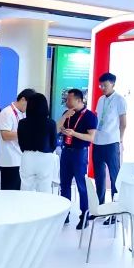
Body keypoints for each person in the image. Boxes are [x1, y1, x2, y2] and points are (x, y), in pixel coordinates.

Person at [57, 88, 97, 229]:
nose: (67, 101)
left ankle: (84, 216)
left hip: (79, 153)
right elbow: (57, 129)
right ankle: (64, 214)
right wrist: (64, 122)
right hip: (66, 152)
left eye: (69, 99)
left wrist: (73, 133)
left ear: (79, 100)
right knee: (64, 184)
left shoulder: (89, 116)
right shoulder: (67, 113)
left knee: (81, 185)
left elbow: (91, 137)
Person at [93, 72, 128, 213]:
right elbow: (97, 118)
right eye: (101, 85)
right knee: (99, 177)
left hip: (112, 143)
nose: (102, 88)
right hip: (97, 142)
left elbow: (123, 123)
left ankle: (115, 211)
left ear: (112, 84)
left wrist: (120, 139)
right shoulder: (100, 99)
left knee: (115, 177)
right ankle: (99, 208)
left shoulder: (120, 100)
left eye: (105, 85)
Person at [19, 92, 58, 192]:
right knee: (44, 188)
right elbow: (54, 144)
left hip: (27, 156)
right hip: (46, 157)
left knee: (26, 188)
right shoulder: (51, 123)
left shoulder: (22, 123)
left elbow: (21, 143)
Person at [0, 89, 34, 191]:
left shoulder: (23, 114)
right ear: (23, 99)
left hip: (21, 158)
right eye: (29, 104)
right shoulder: (7, 112)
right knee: (9, 192)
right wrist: (25, 134)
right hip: (10, 160)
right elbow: (5, 135)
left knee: (19, 192)